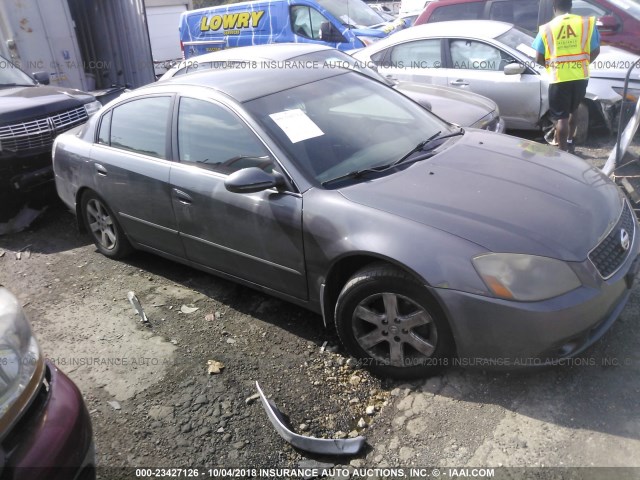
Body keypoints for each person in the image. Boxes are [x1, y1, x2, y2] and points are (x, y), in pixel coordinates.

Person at [532, 0, 600, 153]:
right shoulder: (586, 24)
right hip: (580, 76)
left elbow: (538, 57)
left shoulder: (547, 28)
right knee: (573, 109)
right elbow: (595, 51)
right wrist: (582, 64)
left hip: (559, 78)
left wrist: (552, 66)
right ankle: (570, 142)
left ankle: (562, 153)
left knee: (561, 117)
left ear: (554, 8)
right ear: (571, 6)